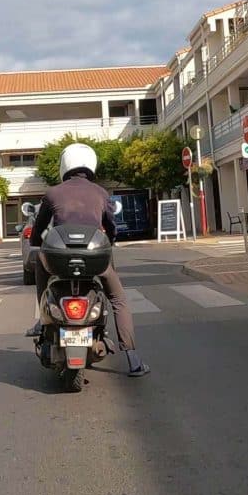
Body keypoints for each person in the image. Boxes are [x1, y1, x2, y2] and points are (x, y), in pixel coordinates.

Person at [24, 143, 150, 378]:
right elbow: (111, 227)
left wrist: (39, 246)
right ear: (90, 165)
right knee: (118, 299)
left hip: (59, 258)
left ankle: (42, 321)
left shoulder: (52, 193)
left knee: (41, 264)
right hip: (94, 257)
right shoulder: (101, 193)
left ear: (65, 165)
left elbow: (39, 228)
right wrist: (108, 243)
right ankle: (132, 358)